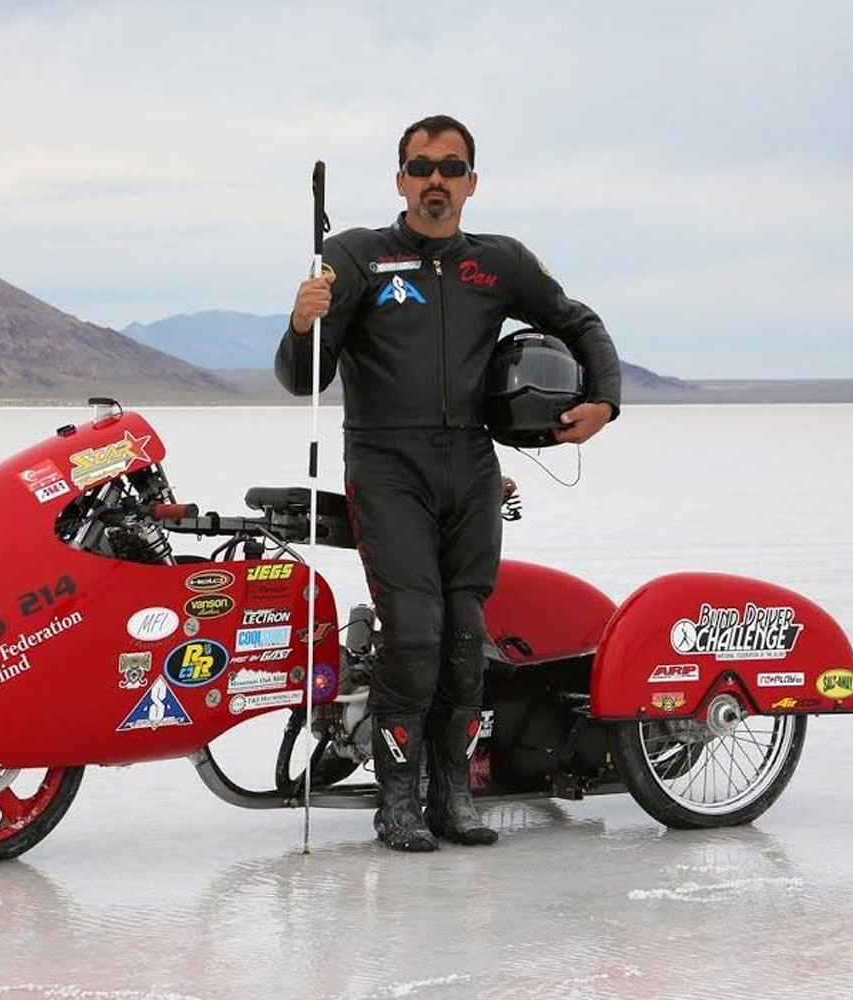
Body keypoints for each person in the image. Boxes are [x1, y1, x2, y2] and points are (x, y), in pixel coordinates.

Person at [275, 114, 621, 852]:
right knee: (416, 632)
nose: (437, 180)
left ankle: (455, 797)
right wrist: (304, 327)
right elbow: (302, 379)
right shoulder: (355, 256)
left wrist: (605, 400)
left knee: (467, 641)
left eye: (452, 167)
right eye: (422, 166)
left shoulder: (499, 264)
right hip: (386, 465)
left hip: (470, 467)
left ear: (471, 182)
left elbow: (579, 320)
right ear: (400, 180)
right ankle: (399, 803)